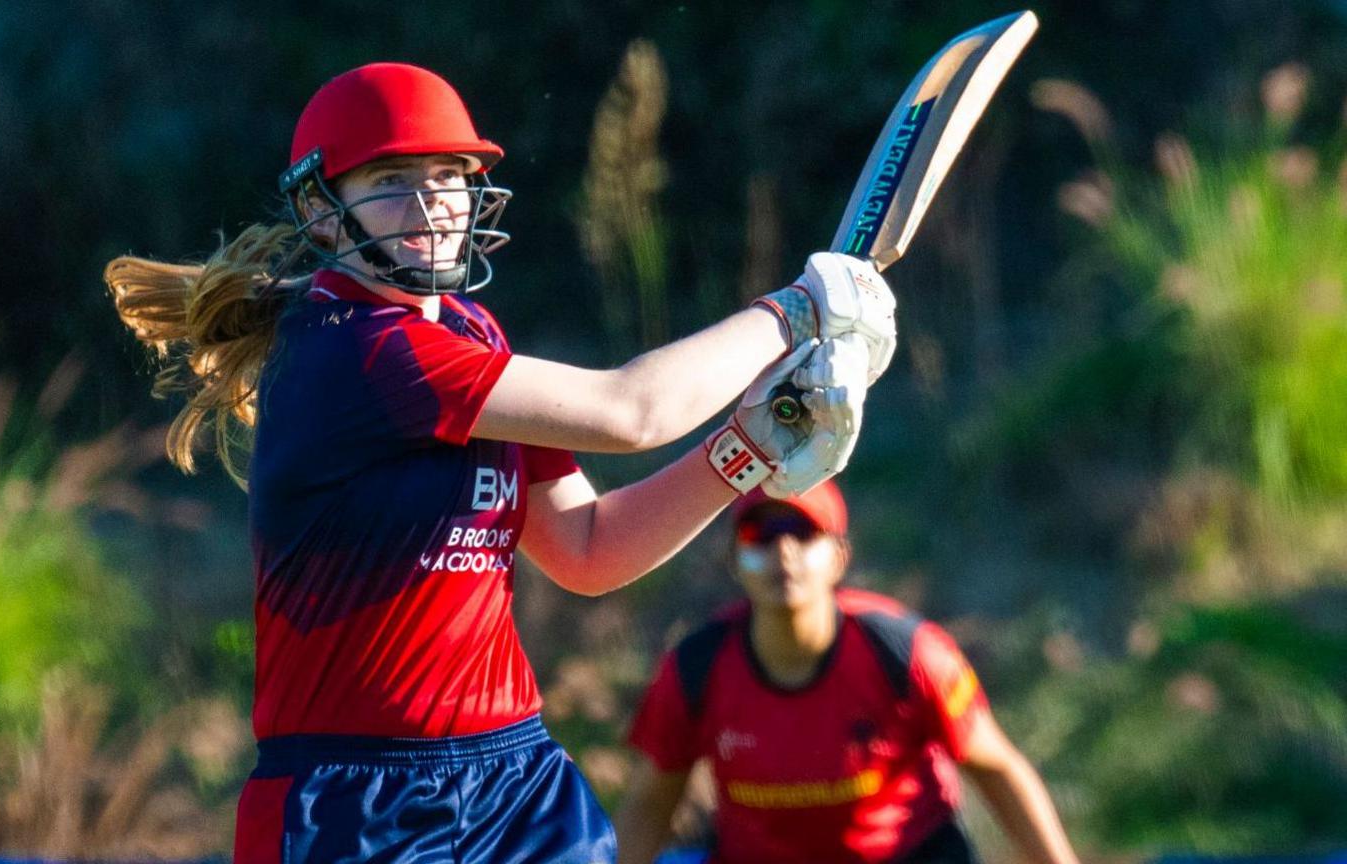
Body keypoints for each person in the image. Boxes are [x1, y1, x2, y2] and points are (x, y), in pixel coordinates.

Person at [105, 62, 893, 864]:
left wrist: (748, 451)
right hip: (352, 801)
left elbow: (587, 548)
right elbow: (631, 412)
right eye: (392, 178)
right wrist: (795, 311)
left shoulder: (471, 330)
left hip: (515, 782)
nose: (433, 201)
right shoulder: (359, 349)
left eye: (449, 173)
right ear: (322, 211)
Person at [616, 480, 1081, 864]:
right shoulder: (695, 667)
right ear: (736, 562)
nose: (783, 553)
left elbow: (999, 769)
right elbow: (652, 801)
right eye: (761, 535)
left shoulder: (910, 654)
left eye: (802, 532)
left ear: (839, 556)